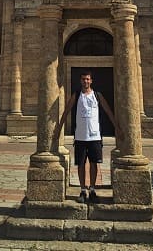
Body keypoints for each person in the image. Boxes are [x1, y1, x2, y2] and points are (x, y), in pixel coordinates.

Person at [52, 69, 120, 204]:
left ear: (91, 80)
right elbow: (66, 111)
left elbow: (108, 111)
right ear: (80, 81)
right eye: (83, 79)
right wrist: (59, 128)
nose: (85, 81)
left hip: (95, 136)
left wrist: (117, 128)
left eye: (88, 79)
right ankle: (83, 190)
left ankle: (92, 189)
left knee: (94, 164)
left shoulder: (97, 95)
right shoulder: (76, 95)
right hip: (80, 137)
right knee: (81, 164)